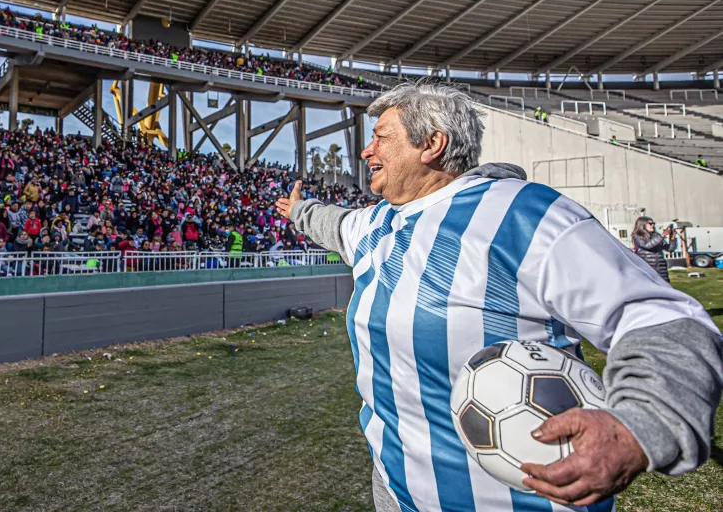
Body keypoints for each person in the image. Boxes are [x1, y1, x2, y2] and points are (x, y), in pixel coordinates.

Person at [276, 82, 722, 512]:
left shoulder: (524, 214)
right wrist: (297, 210)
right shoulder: (375, 224)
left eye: (381, 137)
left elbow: (661, 320)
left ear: (431, 143)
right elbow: (332, 224)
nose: (366, 151)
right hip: (396, 493)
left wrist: (641, 425)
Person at [631, 217, 676, 282]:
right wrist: (662, 235)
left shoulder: (656, 235)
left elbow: (670, 249)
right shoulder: (637, 236)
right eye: (650, 224)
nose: (653, 225)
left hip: (661, 269)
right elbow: (647, 246)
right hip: (647, 268)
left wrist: (672, 238)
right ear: (642, 225)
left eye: (653, 223)